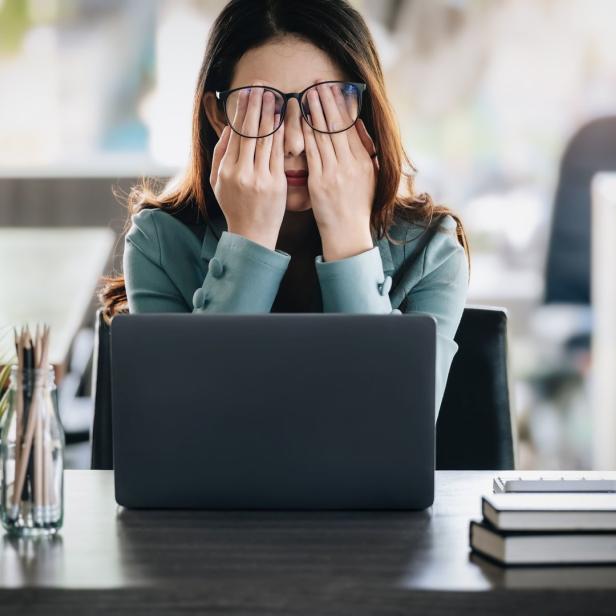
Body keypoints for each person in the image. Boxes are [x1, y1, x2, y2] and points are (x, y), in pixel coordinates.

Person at [99, 0, 470, 417]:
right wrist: (248, 241)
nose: (294, 142)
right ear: (218, 116)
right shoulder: (160, 242)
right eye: (264, 107)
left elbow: (394, 422)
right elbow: (186, 420)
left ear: (362, 113)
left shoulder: (430, 252)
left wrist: (348, 235)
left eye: (322, 107)